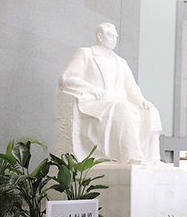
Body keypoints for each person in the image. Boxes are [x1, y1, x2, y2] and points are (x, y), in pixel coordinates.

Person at [58, 22, 162, 164]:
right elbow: (67, 78)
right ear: (100, 36)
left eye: (116, 36)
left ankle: (152, 158)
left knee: (151, 111)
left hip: (116, 101)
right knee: (121, 108)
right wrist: (91, 89)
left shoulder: (121, 62)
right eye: (110, 35)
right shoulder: (86, 53)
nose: (114, 39)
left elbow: (132, 88)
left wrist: (141, 100)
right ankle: (131, 156)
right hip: (94, 103)